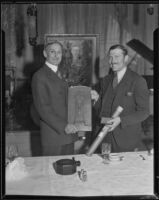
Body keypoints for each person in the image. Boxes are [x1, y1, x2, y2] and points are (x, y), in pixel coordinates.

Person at [91, 44, 149, 152]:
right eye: (110, 57)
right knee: (105, 165)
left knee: (124, 168)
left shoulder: (138, 81)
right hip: (105, 139)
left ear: (126, 58)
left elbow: (144, 112)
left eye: (117, 56)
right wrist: (96, 100)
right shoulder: (105, 80)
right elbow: (101, 111)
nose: (112, 61)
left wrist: (121, 120)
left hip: (126, 140)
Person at [31, 41, 78, 156]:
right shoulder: (39, 76)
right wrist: (64, 126)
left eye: (59, 52)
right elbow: (43, 108)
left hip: (69, 133)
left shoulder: (62, 73)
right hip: (54, 135)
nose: (56, 55)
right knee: (52, 172)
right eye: (52, 52)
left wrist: (85, 95)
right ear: (45, 54)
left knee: (69, 171)